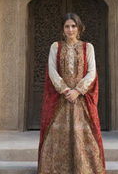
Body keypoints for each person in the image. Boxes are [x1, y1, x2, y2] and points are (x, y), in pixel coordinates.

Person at [38, 13, 106, 174]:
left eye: (73, 26)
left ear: (79, 28)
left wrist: (78, 91)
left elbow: (92, 72)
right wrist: (65, 90)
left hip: (80, 99)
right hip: (60, 98)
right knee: (57, 134)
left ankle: (84, 169)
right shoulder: (56, 46)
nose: (70, 29)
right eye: (67, 26)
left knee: (82, 134)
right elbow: (52, 71)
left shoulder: (87, 47)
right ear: (63, 29)